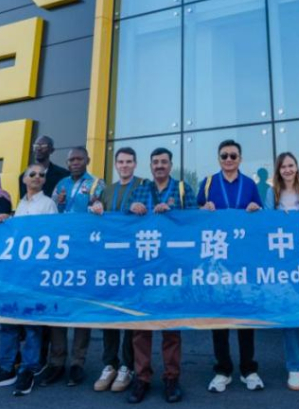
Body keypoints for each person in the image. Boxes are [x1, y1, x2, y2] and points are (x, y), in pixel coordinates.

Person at [126, 147, 196, 404]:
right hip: (144, 269)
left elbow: (194, 222)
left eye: (164, 162)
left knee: (171, 327)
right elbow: (125, 220)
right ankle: (142, 378)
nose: (159, 166)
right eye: (155, 162)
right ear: (150, 165)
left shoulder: (182, 189)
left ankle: (171, 378)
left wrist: (174, 214)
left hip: (172, 269)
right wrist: (132, 208)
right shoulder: (141, 189)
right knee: (141, 328)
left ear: (171, 164)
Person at [196, 139, 264, 393]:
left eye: (233, 156)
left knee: (245, 317)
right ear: (218, 159)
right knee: (220, 318)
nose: (228, 159)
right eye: (224, 155)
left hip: (243, 260)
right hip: (217, 260)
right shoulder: (209, 183)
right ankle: (222, 370)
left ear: (240, 159)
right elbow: (194, 215)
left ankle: (249, 369)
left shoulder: (249, 184)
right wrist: (203, 208)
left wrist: (256, 208)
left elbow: (261, 214)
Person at [0, 166, 49, 395]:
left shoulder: (48, 204)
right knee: (7, 322)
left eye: (42, 175)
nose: (37, 177)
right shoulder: (21, 205)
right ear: (24, 179)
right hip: (14, 272)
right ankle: (6, 367)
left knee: (31, 324)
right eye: (32, 174)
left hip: (34, 273)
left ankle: (28, 369)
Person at [39, 147, 105, 388]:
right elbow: (52, 213)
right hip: (61, 256)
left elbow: (102, 210)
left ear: (87, 159)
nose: (74, 163)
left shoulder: (97, 183)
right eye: (70, 160)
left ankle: (77, 362)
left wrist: (98, 208)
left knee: (81, 309)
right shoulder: (61, 184)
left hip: (86, 255)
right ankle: (56, 362)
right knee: (58, 308)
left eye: (78, 159)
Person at [262, 152, 299, 391]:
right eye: (283, 166)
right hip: (283, 265)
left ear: (297, 168)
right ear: (278, 170)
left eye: (291, 165)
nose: (287, 169)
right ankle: (294, 368)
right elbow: (266, 224)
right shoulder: (271, 193)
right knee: (290, 317)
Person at [91, 147, 144, 393]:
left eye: (129, 161)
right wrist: (95, 210)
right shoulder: (106, 190)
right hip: (109, 261)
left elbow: (155, 214)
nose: (124, 165)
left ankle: (127, 366)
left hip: (134, 260)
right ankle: (109, 364)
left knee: (129, 314)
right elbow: (94, 215)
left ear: (135, 164)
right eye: (120, 161)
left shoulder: (144, 186)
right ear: (115, 164)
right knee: (109, 314)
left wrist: (143, 209)